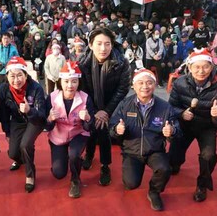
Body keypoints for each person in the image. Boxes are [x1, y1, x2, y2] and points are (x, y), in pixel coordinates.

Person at [110, 69, 179, 211]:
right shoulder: (125, 104)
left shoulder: (164, 106)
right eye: (140, 83)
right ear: (133, 86)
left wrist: (171, 131)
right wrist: (117, 130)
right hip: (131, 151)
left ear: (154, 85)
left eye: (149, 83)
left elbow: (177, 130)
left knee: (164, 168)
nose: (145, 87)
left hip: (155, 150)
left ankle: (154, 191)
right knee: (131, 184)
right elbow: (112, 127)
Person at [168, 49, 217, 202]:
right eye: (196, 67)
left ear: (212, 67)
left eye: (205, 67)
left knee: (208, 156)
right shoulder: (180, 82)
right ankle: (175, 164)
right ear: (190, 67)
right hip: (185, 124)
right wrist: (181, 114)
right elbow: (171, 107)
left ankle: (202, 185)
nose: (201, 71)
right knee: (173, 157)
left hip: (207, 126)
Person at [79, 27, 131, 186]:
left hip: (112, 106)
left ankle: (105, 165)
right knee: (90, 128)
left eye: (107, 44)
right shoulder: (82, 63)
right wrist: (94, 111)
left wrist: (106, 111)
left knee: (104, 132)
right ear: (91, 44)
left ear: (112, 44)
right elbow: (82, 88)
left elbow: (123, 89)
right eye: (99, 43)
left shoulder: (121, 62)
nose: (103, 48)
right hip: (90, 104)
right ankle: (88, 155)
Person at [45, 61, 95, 198]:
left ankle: (75, 180)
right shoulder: (51, 97)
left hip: (78, 133)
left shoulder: (85, 98)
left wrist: (88, 119)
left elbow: (90, 127)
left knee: (74, 154)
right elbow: (46, 127)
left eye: (74, 81)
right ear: (61, 82)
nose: (70, 86)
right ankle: (61, 160)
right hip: (58, 135)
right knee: (59, 173)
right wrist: (49, 119)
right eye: (66, 81)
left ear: (79, 83)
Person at [0, 56, 46, 192]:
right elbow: (3, 113)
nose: (16, 80)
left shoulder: (36, 88)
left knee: (25, 145)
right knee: (13, 153)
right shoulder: (3, 89)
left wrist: (30, 110)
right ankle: (20, 160)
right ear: (7, 76)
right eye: (12, 76)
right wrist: (7, 131)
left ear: (26, 75)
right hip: (17, 120)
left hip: (34, 120)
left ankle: (30, 175)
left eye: (19, 75)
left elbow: (42, 114)